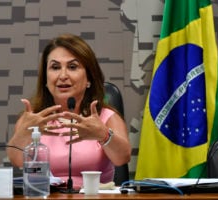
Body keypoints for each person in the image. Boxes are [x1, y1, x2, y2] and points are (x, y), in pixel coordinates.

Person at [7, 33, 131, 188]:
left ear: (89, 79)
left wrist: (103, 134)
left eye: (72, 67)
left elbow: (123, 158)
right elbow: (16, 160)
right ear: (45, 79)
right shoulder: (34, 119)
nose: (63, 75)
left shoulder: (105, 116)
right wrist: (24, 132)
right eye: (55, 67)